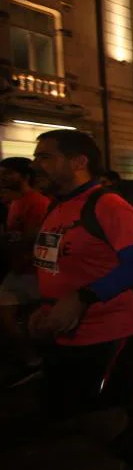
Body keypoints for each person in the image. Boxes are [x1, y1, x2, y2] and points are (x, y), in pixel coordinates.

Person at [29, 130, 133, 470]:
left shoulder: (107, 204)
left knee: (99, 414)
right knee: (75, 411)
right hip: (68, 332)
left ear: (78, 162)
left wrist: (83, 298)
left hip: (112, 329)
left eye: (46, 156)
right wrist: (44, 308)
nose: (36, 164)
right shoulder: (58, 207)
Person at [0, 157, 50, 385]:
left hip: (32, 269)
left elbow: (33, 237)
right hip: (20, 268)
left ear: (24, 176)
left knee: (10, 314)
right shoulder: (16, 202)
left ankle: (36, 360)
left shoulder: (37, 202)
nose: (3, 177)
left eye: (8, 173)